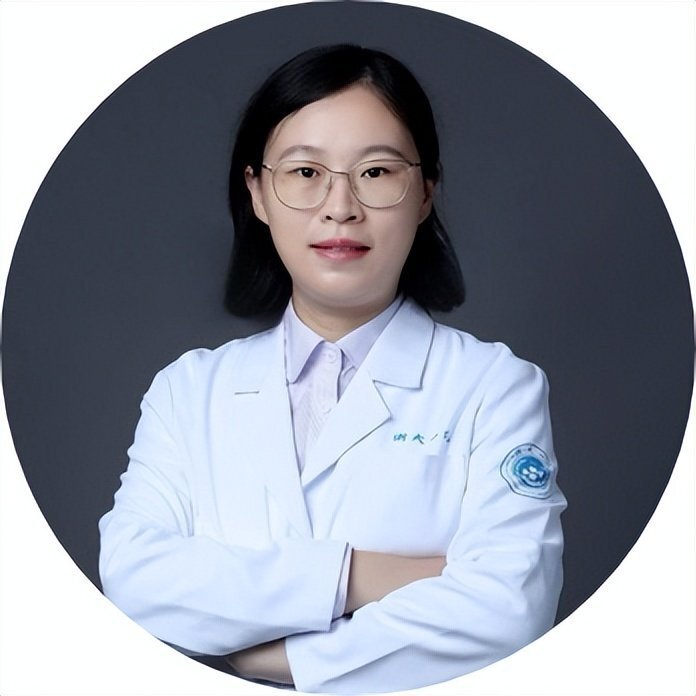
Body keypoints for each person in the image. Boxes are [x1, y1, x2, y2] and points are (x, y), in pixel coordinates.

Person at [99, 44, 566, 694]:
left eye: (376, 172)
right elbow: (133, 578)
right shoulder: (189, 392)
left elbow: (511, 609)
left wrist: (285, 659)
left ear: (425, 192)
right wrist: (359, 575)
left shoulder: (494, 387)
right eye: (304, 172)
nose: (339, 206)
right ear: (257, 192)